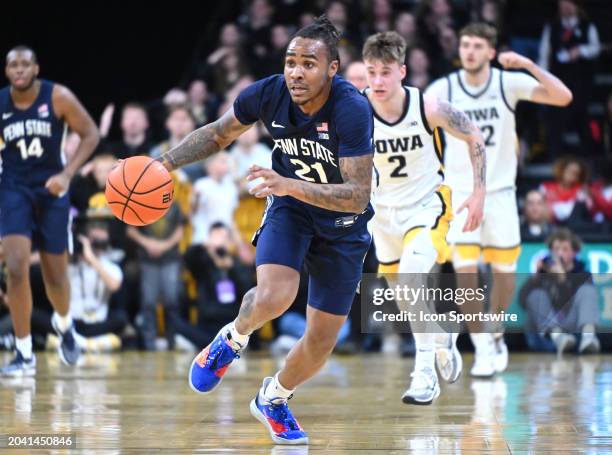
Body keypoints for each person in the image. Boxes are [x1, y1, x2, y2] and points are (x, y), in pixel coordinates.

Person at [157, 16, 374, 445]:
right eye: (291, 61)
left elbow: (357, 196)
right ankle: (232, 338)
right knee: (275, 295)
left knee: (321, 341)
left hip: (344, 225)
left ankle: (274, 397)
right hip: (291, 211)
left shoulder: (351, 109)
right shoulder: (268, 92)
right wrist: (164, 163)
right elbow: (219, 135)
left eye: (309, 63)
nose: (296, 71)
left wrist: (288, 182)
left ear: (333, 69)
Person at [426, 23, 572, 377]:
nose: (470, 51)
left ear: (491, 52)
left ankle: (496, 333)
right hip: (460, 193)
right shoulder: (443, 88)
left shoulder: (507, 83)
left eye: (477, 45)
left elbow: (563, 97)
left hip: (501, 192)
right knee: (466, 274)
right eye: (465, 44)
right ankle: (481, 347)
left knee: (505, 276)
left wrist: (528, 65)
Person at [363, 31, 486, 405]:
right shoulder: (355, 110)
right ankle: (443, 337)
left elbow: (474, 136)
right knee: (407, 298)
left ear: (402, 71)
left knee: (411, 277)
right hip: (381, 215)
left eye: (386, 72)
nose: (378, 81)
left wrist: (478, 191)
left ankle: (424, 375)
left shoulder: (428, 106)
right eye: (371, 72)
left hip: (426, 207)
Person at [0, 45, 100, 375]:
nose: (18, 69)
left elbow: (90, 134)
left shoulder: (58, 97)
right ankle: (24, 352)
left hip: (52, 189)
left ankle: (65, 324)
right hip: (14, 189)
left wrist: (67, 174)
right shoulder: (1, 102)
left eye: (25, 64)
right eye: (13, 64)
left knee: (54, 275)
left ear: (36, 68)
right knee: (15, 266)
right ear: (7, 71)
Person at [520, 228, 600, 354]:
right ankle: (558, 337)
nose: (559, 253)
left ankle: (588, 337)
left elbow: (567, 305)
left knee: (587, 290)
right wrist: (536, 276)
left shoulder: (583, 274)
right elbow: (523, 301)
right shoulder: (543, 272)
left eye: (564, 249)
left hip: (573, 331)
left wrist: (562, 279)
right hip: (547, 336)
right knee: (536, 294)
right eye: (556, 249)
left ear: (574, 252)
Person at [127, 203, 185, 351]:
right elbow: (130, 230)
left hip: (170, 258)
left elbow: (180, 230)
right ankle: (149, 345)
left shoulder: (174, 204)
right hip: (147, 260)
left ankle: (173, 342)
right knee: (148, 302)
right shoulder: (139, 201)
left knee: (172, 301)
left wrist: (164, 245)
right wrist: (147, 243)